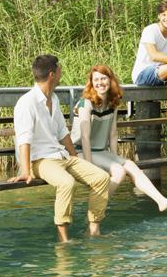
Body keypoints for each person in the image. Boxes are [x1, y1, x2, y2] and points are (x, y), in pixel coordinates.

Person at [9, 55, 110, 243]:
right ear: (52, 74)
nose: (61, 72)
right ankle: (64, 240)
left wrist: (74, 157)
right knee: (66, 183)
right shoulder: (27, 103)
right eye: (59, 69)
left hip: (61, 155)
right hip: (40, 160)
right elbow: (24, 139)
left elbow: (63, 133)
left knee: (101, 178)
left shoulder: (53, 98)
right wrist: (26, 170)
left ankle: (94, 229)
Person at [71, 64, 167, 212]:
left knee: (130, 165)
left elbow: (113, 134)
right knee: (118, 171)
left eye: (103, 78)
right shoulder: (86, 103)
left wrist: (114, 157)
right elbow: (85, 137)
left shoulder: (113, 102)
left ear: (110, 80)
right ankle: (95, 208)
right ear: (91, 83)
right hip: (81, 151)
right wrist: (90, 167)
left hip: (99, 151)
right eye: (96, 79)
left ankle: (161, 201)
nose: (100, 83)